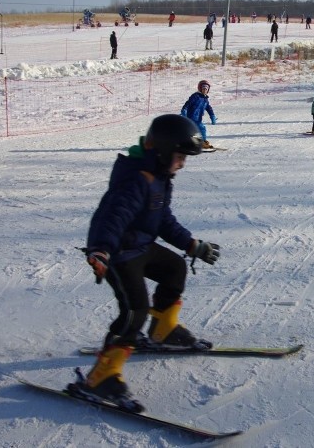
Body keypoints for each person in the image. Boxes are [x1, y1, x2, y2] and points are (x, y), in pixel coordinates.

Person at [75, 114, 220, 411]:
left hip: (140, 247)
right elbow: (112, 218)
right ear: (163, 151)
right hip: (118, 256)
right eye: (180, 156)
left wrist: (192, 245)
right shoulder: (136, 180)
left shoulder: (159, 178)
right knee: (134, 312)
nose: (182, 163)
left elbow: (163, 220)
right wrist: (101, 250)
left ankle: (163, 329)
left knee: (174, 268)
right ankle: (101, 377)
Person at [181, 80, 217, 150]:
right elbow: (188, 103)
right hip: (191, 117)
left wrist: (212, 116)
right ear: (200, 88)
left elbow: (209, 108)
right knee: (201, 128)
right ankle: (201, 142)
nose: (205, 90)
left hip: (198, 118)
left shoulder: (205, 100)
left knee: (195, 131)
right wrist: (184, 109)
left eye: (206, 89)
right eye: (203, 88)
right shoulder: (195, 96)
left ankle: (196, 142)